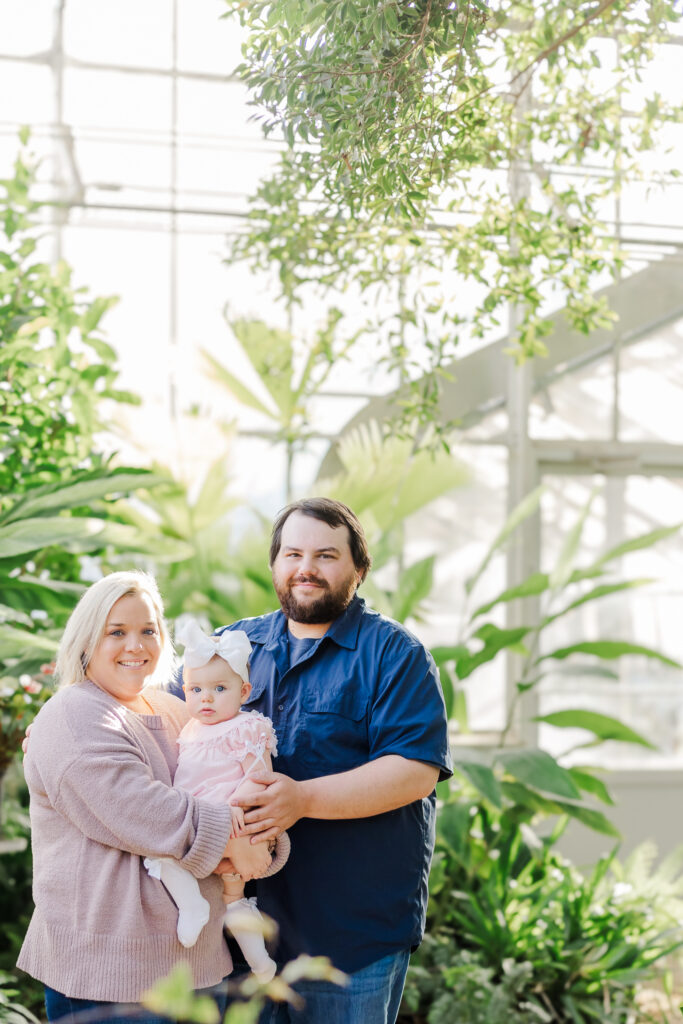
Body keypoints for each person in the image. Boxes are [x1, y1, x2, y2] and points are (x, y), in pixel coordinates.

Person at [188, 498, 453, 1024]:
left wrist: (303, 799)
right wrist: (70, 720)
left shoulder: (394, 654)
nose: (305, 568)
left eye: (326, 555)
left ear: (358, 569)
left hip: (351, 934)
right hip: (241, 929)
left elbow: (414, 771)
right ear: (275, 565)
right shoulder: (230, 648)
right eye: (293, 553)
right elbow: (162, 715)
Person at [17, 570, 271, 1024]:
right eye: (117, 632)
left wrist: (262, 840)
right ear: (86, 641)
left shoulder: (178, 710)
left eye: (148, 631)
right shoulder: (74, 713)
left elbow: (236, 782)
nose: (136, 646)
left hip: (200, 965)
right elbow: (140, 811)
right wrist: (234, 840)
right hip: (112, 978)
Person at [144, 619, 290, 983]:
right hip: (197, 822)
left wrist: (236, 806)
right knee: (163, 856)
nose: (204, 698)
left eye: (218, 688)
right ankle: (192, 905)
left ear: (244, 692)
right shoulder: (190, 727)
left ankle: (259, 962)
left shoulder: (246, 726)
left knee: (234, 896)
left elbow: (260, 775)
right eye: (194, 689)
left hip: (232, 821)